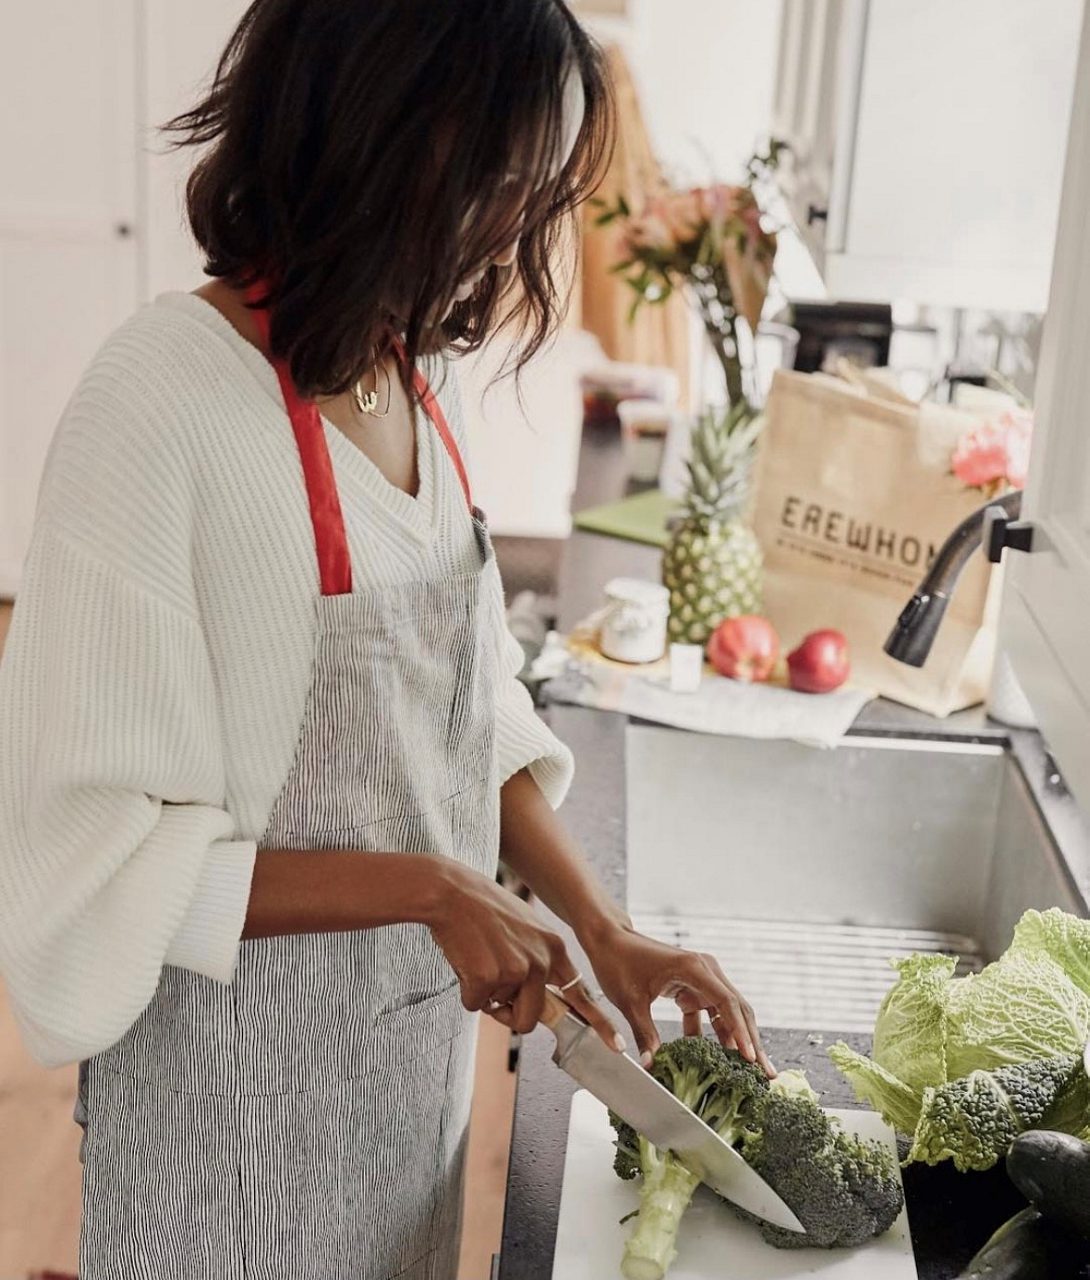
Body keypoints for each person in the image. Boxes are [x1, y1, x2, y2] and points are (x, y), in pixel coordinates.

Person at [0, 2, 771, 1277]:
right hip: (223, 1111)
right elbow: (92, 856)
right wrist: (426, 885)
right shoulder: (155, 407)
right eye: (500, 187)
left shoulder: (416, 376)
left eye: (538, 197)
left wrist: (595, 920)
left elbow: (467, 715)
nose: (514, 238)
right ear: (372, 134)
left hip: (405, 1074)